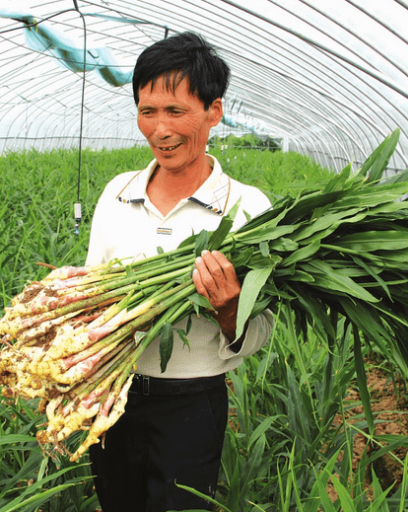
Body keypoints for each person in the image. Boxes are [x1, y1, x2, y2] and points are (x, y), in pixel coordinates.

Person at [85, 31, 274, 512]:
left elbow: (262, 330)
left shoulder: (248, 210)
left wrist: (231, 309)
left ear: (214, 111)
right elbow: (92, 289)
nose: (160, 129)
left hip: (190, 403)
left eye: (175, 111)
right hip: (112, 391)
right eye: (148, 112)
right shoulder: (117, 192)